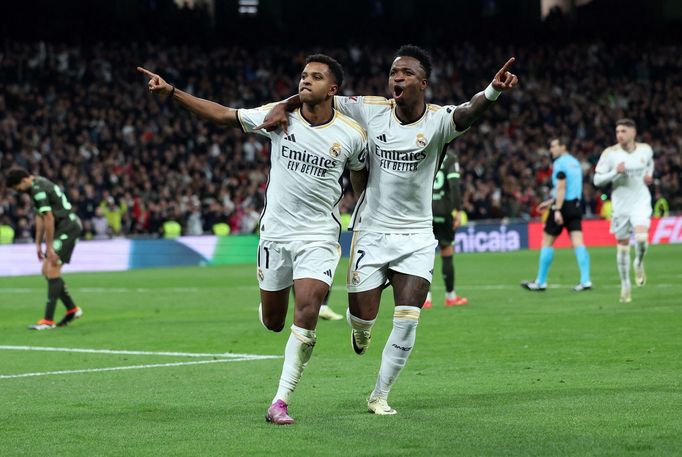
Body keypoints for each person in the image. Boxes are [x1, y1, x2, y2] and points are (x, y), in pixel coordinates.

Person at [260, 45, 518, 415]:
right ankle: (361, 330)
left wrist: (492, 90)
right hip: (371, 232)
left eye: (406, 73)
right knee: (361, 318)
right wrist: (282, 105)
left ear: (423, 83)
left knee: (408, 317)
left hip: (416, 235)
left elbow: (468, 111)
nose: (396, 77)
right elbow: (315, 97)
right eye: (394, 72)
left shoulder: (438, 121)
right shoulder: (369, 108)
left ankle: (379, 394)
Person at [138, 54, 367, 425]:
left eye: (316, 77)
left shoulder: (352, 134)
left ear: (333, 89)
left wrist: (363, 216)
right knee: (274, 323)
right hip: (275, 234)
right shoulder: (278, 118)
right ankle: (269, 306)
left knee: (308, 308)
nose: (306, 81)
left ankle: (280, 401)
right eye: (304, 75)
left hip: (320, 236)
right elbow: (223, 115)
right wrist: (172, 93)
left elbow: (360, 175)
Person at [5, 168, 84, 330]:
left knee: (52, 269)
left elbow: (48, 218)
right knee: (46, 271)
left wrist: (49, 247)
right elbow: (40, 217)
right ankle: (72, 309)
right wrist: (38, 244)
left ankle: (48, 320)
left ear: (24, 180)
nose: (17, 191)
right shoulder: (37, 185)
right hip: (62, 228)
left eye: (16, 187)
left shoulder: (38, 189)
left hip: (68, 228)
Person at [593, 118, 654, 303]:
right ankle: (625, 283)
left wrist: (648, 175)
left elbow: (650, 163)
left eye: (623, 131)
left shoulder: (646, 150)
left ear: (633, 133)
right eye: (617, 131)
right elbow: (597, 180)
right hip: (620, 206)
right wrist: (614, 173)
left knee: (642, 240)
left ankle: (639, 262)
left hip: (641, 201)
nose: (619, 134)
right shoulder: (610, 154)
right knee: (623, 248)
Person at [521, 137, 591, 292]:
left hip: (562, 206)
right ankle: (586, 280)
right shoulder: (575, 163)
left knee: (547, 242)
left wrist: (557, 209)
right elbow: (572, 188)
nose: (551, 149)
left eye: (553, 146)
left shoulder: (560, 163)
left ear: (563, 147)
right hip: (576, 205)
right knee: (578, 242)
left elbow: (561, 188)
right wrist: (550, 202)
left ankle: (540, 282)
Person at [424, 149, 468, 308]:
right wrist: (457, 210)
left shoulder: (427, 153)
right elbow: (454, 185)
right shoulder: (450, 157)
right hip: (444, 210)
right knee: (446, 250)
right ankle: (450, 297)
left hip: (426, 210)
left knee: (425, 253)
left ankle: (425, 299)